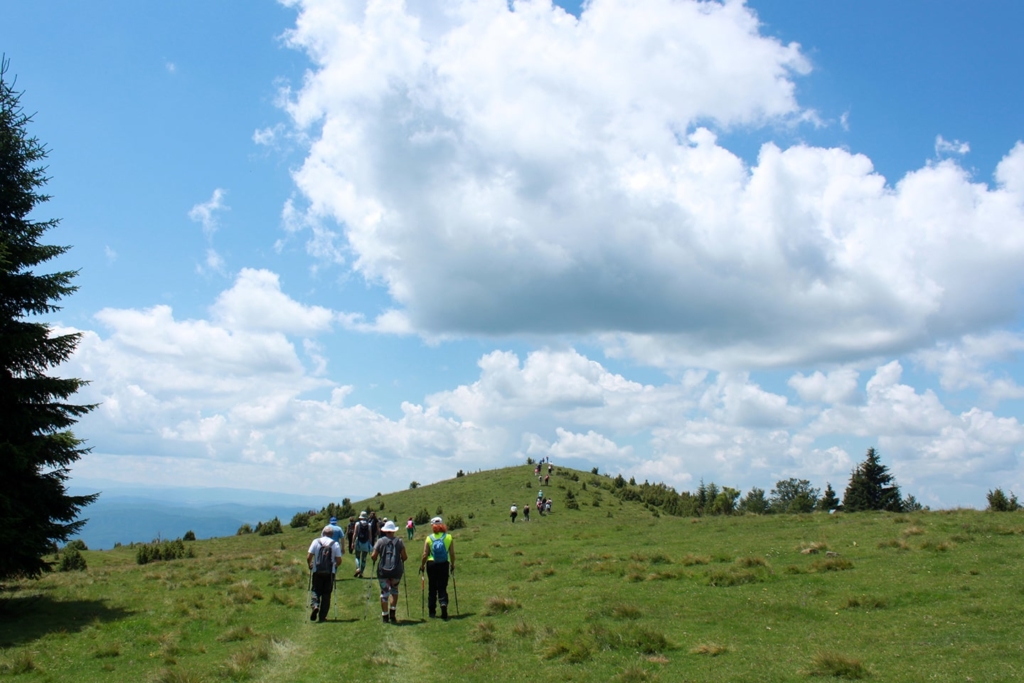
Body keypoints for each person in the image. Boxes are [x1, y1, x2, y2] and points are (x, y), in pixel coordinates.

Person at [371, 520, 408, 624]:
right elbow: (405, 557)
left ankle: (385, 616)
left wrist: (376, 558)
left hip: (383, 572)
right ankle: (392, 612)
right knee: (394, 591)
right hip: (396, 572)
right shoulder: (399, 542)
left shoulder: (380, 541)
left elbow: (373, 556)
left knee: (384, 593)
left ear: (385, 531)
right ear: (394, 531)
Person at [419, 516, 455, 620]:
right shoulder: (448, 537)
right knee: (442, 586)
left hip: (431, 563)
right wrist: (452, 564)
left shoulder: (429, 538)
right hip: (444, 563)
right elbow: (452, 553)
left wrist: (422, 565)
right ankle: (443, 603)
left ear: (432, 526)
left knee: (432, 587)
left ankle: (432, 611)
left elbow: (425, 554)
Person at [307, 525, 342, 622]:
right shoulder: (335, 544)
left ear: (323, 533)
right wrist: (335, 565)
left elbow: (309, 556)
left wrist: (310, 564)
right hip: (330, 572)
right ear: (332, 535)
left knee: (315, 590)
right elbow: (339, 560)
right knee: (326, 594)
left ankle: (315, 605)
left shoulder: (316, 541)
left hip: (317, 570)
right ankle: (322, 617)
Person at [353, 511, 373, 577]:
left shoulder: (357, 524)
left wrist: (353, 542)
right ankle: (361, 572)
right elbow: (370, 535)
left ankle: (358, 568)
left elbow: (355, 533)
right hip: (366, 543)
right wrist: (370, 544)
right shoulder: (369, 525)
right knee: (364, 558)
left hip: (359, 542)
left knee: (357, 556)